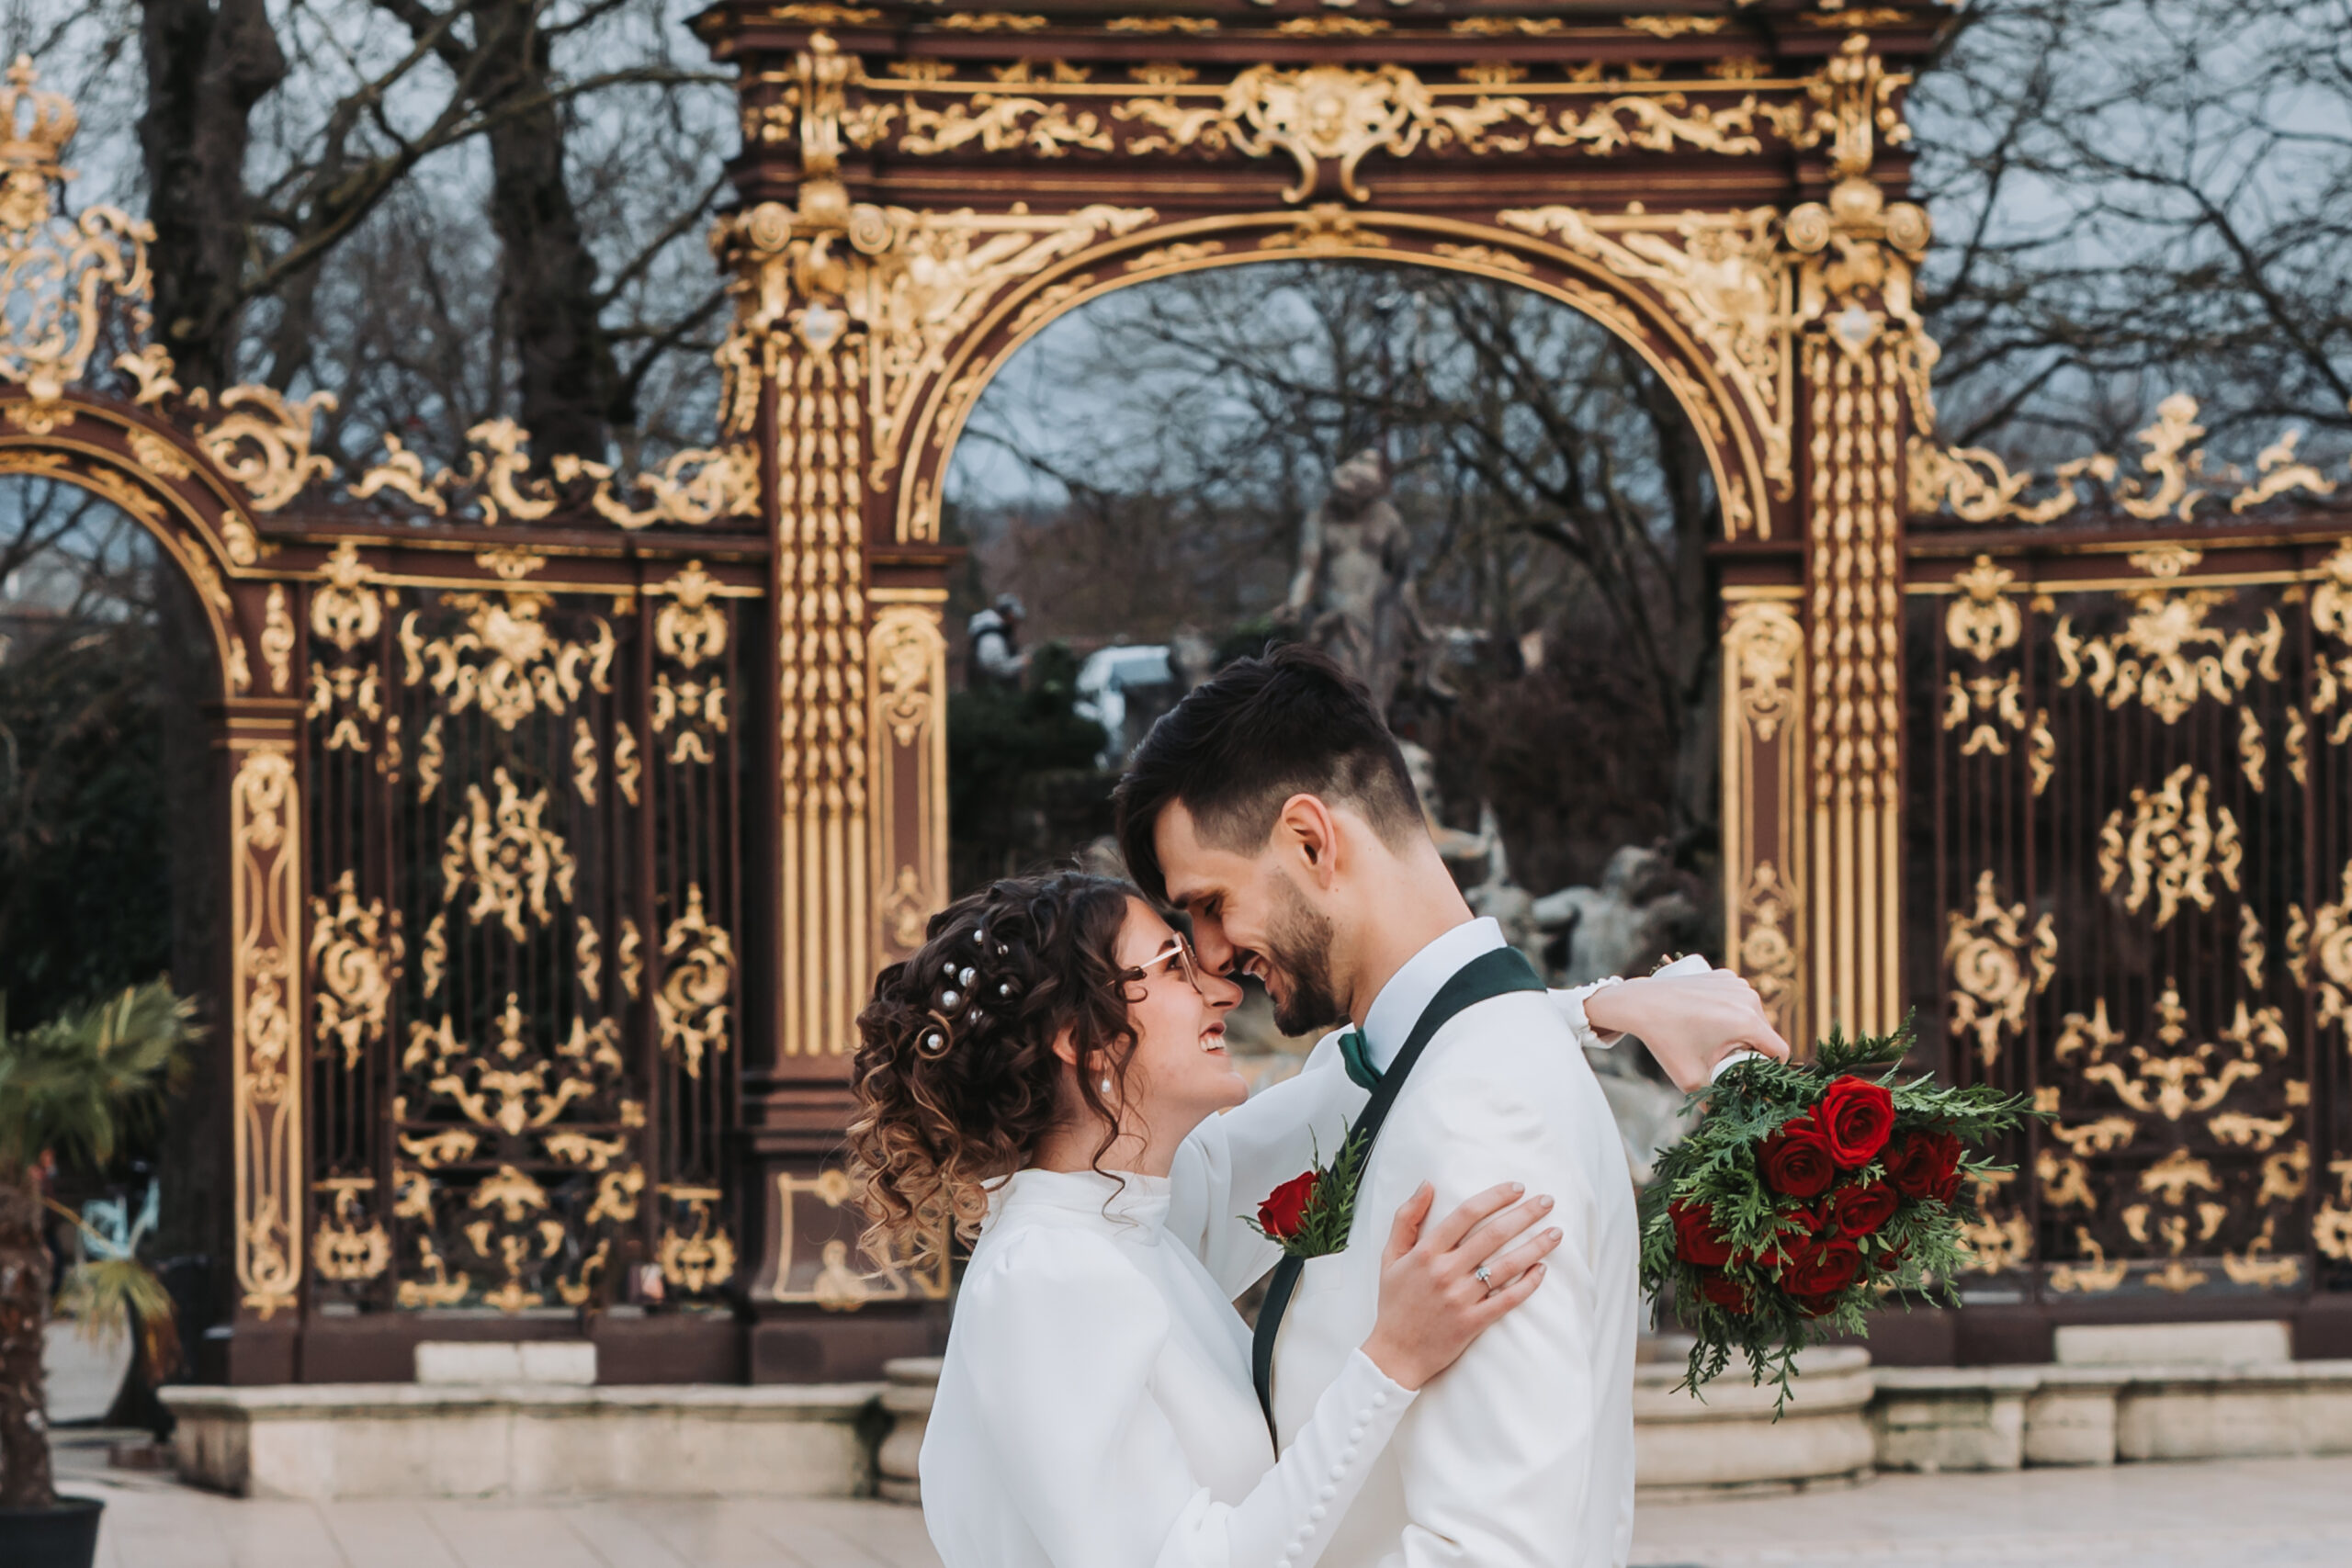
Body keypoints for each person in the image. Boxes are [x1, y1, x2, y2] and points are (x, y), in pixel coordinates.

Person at [1112, 644, 1791, 1568]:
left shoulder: (1480, 1113)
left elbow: (1494, 1549)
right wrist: (1588, 1008)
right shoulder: (1443, 1065)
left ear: (1311, 842)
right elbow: (1355, 1083)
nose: (1210, 954)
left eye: (1210, 904)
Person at [850, 873, 1560, 1568]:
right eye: (1174, 967)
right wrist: (1392, 1359)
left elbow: (1358, 1081)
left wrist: (1597, 1011)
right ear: (1083, 1036)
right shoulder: (1047, 1273)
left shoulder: (1137, 1216)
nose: (1223, 990)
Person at [967, 592, 1028, 689]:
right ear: (1009, 615)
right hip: (992, 696)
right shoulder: (991, 636)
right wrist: (1022, 661)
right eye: (1015, 619)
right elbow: (996, 668)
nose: (1016, 624)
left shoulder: (995, 632)